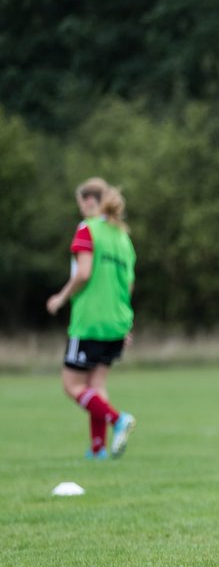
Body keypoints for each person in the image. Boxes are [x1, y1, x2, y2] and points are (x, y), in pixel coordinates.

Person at [46, 177, 138, 459]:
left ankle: (117, 419)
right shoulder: (122, 237)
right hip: (117, 322)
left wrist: (61, 298)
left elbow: (83, 273)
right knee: (96, 387)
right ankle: (97, 449)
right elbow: (129, 284)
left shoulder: (87, 230)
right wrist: (126, 324)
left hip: (90, 320)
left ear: (88, 201)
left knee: (72, 386)